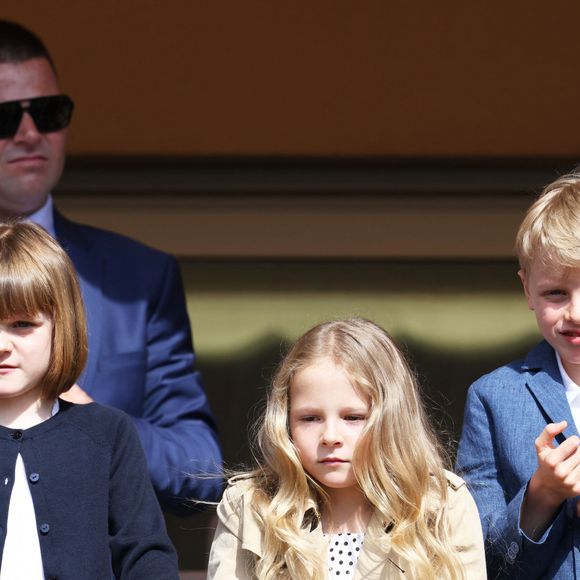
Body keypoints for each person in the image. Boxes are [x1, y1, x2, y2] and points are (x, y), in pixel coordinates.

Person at [0, 19, 221, 513]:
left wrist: (93, 419)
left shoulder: (138, 280)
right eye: (5, 118)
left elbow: (201, 470)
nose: (31, 132)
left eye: (49, 112)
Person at [208, 318, 486, 579]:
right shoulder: (250, 506)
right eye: (310, 418)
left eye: (353, 417)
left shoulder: (442, 506)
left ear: (393, 418)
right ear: (285, 421)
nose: (330, 436)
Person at [0, 220, 179, 579]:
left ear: (61, 325)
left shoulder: (107, 433)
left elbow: (146, 555)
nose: (2, 345)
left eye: (22, 324)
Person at [456, 171, 580, 579]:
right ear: (527, 290)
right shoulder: (493, 398)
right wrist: (542, 494)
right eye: (555, 293)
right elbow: (479, 559)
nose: (575, 313)